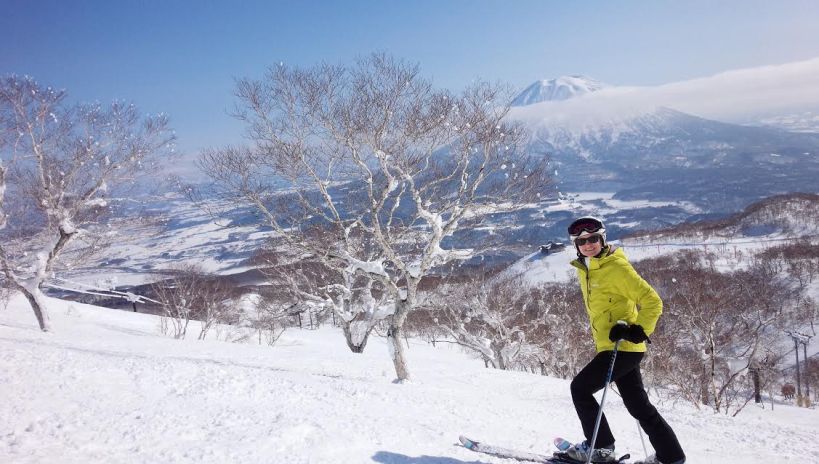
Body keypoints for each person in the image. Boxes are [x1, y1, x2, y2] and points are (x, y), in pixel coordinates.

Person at [562, 216, 685, 464]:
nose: (588, 244)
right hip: (616, 347)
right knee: (638, 406)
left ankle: (601, 448)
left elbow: (653, 301)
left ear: (602, 239)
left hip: (623, 347)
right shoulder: (588, 269)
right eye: (582, 241)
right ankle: (671, 456)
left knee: (580, 388)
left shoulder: (616, 268)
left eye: (593, 239)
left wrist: (637, 330)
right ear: (576, 245)